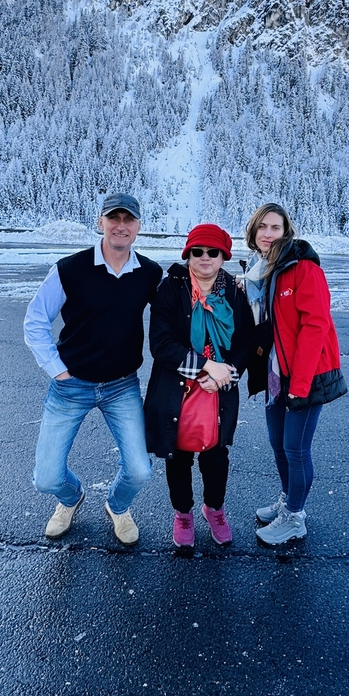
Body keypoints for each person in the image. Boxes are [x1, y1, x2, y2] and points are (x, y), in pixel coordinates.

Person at [24, 193, 162, 544]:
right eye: (113, 218)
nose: (120, 225)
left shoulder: (149, 273)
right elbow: (36, 321)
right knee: (47, 478)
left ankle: (117, 506)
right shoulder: (70, 269)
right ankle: (71, 498)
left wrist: (228, 286)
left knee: (139, 470)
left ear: (138, 227)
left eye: (128, 219)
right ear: (100, 223)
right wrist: (57, 370)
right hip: (71, 386)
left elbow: (181, 305)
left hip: (121, 385)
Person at [243, 203, 345, 546]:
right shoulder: (260, 272)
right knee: (278, 444)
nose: (269, 234)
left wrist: (300, 385)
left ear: (286, 231)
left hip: (306, 374)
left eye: (276, 227)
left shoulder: (303, 269)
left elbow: (315, 327)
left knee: (296, 448)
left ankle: (295, 518)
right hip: (275, 374)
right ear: (254, 233)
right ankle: (288, 502)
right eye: (263, 228)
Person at [144, 224, 252, 548]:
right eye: (198, 251)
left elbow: (246, 342)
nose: (205, 258)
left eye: (212, 252)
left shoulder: (234, 292)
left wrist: (226, 373)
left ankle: (214, 509)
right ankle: (183, 514)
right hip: (176, 389)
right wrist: (206, 366)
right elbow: (161, 344)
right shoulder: (170, 289)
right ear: (188, 254)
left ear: (223, 257)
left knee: (216, 459)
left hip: (218, 392)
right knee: (177, 457)